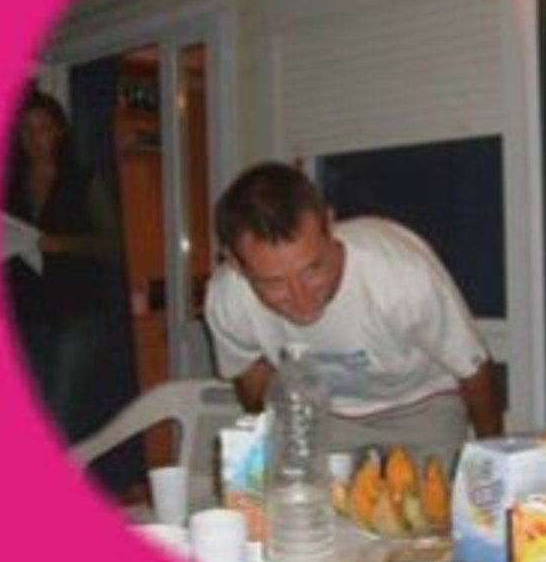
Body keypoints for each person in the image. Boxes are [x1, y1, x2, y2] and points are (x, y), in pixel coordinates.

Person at [204, 161, 503, 463]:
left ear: (330, 225)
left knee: (431, 493)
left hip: (422, 403)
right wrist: (278, 447)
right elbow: (254, 386)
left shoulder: (401, 272)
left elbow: (475, 370)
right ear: (236, 264)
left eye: (312, 269)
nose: (302, 300)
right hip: (319, 412)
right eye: (274, 283)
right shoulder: (228, 299)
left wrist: (493, 462)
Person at [0, 86, 119, 434]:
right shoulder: (10, 185)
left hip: (77, 313)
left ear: (59, 131)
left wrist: (62, 244)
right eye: (27, 130)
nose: (35, 138)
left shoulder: (83, 179)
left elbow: (112, 244)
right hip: (27, 313)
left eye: (43, 128)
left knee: (57, 413)